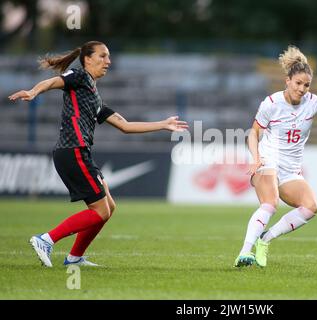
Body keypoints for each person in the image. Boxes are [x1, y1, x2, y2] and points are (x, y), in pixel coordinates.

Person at [8, 41, 188, 267]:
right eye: (103, 56)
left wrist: (163, 124)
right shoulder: (79, 76)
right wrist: (34, 91)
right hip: (72, 151)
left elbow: (126, 126)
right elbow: (55, 80)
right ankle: (46, 240)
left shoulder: (93, 95)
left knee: (108, 207)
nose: (108, 61)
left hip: (80, 153)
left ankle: (74, 258)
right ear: (87, 59)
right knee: (100, 211)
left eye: (109, 57)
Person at [234, 45, 317, 268]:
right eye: (298, 83)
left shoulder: (314, 102)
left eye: (306, 85)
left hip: (291, 169)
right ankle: (244, 252)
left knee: (311, 207)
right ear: (287, 80)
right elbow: (254, 132)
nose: (302, 89)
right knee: (270, 203)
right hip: (267, 160)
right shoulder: (271, 104)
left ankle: (265, 239)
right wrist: (255, 157)